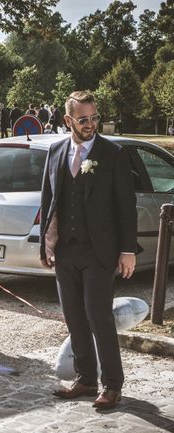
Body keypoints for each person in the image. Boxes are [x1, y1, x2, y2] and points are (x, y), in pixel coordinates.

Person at [40, 91, 137, 410]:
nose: (92, 124)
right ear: (68, 120)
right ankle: (85, 379)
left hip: (100, 251)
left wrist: (127, 249)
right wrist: (45, 243)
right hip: (66, 251)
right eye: (84, 119)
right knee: (74, 318)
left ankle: (112, 384)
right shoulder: (55, 151)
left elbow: (126, 205)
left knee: (99, 317)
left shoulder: (113, 153)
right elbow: (48, 201)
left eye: (95, 117)